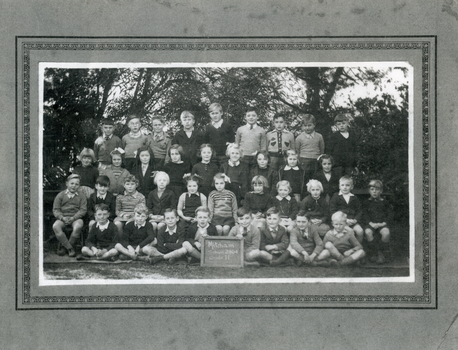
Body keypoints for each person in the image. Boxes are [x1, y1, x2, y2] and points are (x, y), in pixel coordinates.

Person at [52, 174, 87, 257]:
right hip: (63, 217)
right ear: (67, 183)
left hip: (75, 218)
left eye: (76, 184)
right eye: (72, 183)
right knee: (55, 226)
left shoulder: (82, 196)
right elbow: (56, 209)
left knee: (78, 226)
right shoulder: (60, 195)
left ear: (79, 186)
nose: (74, 186)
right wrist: (61, 217)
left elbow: (83, 210)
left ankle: (66, 248)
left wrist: (74, 218)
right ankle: (69, 248)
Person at [361, 180, 393, 264]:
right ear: (369, 191)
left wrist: (382, 224)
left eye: (377, 189)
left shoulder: (385, 202)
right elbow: (365, 215)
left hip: (382, 224)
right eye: (372, 189)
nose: (374, 191)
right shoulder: (366, 202)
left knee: (386, 233)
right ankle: (375, 253)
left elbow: (389, 215)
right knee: (368, 232)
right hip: (371, 224)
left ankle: (381, 253)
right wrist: (371, 223)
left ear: (381, 191)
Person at [329, 175, 364, 242]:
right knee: (350, 232)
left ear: (351, 187)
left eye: (347, 185)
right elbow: (332, 211)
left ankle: (358, 247)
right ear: (339, 186)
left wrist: (355, 220)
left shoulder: (354, 198)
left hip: (352, 221)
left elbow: (359, 211)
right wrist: (345, 220)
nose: (345, 187)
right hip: (341, 222)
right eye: (342, 185)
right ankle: (347, 247)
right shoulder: (336, 196)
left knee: (360, 231)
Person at [325, 113, 359, 177]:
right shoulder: (334, 136)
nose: (341, 126)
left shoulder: (352, 136)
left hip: (349, 165)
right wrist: (330, 163)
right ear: (336, 125)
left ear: (347, 123)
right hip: (337, 166)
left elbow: (354, 151)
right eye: (339, 124)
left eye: (343, 123)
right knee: (338, 182)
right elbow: (329, 151)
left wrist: (355, 165)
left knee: (347, 182)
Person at [295, 113, 324, 184]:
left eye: (309, 125)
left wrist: (320, 159)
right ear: (302, 126)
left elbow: (322, 149)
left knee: (316, 179)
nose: (307, 128)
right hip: (304, 161)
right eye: (305, 126)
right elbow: (297, 151)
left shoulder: (319, 136)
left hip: (316, 161)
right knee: (304, 179)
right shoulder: (299, 138)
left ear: (314, 125)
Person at [204, 103, 235, 167]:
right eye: (212, 113)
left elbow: (232, 140)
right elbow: (206, 142)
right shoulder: (208, 127)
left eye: (216, 113)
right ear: (209, 115)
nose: (215, 115)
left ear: (221, 113)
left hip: (224, 156)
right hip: (213, 156)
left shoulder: (227, 126)